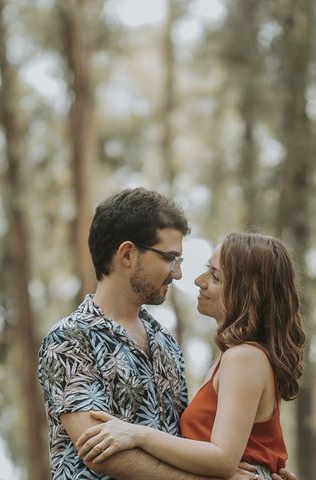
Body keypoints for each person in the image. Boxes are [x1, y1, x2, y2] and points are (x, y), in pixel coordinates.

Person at [38, 188, 295, 480]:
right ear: (127, 254)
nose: (178, 274)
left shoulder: (165, 342)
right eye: (169, 258)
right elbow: (99, 451)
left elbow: (191, 443)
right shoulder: (71, 338)